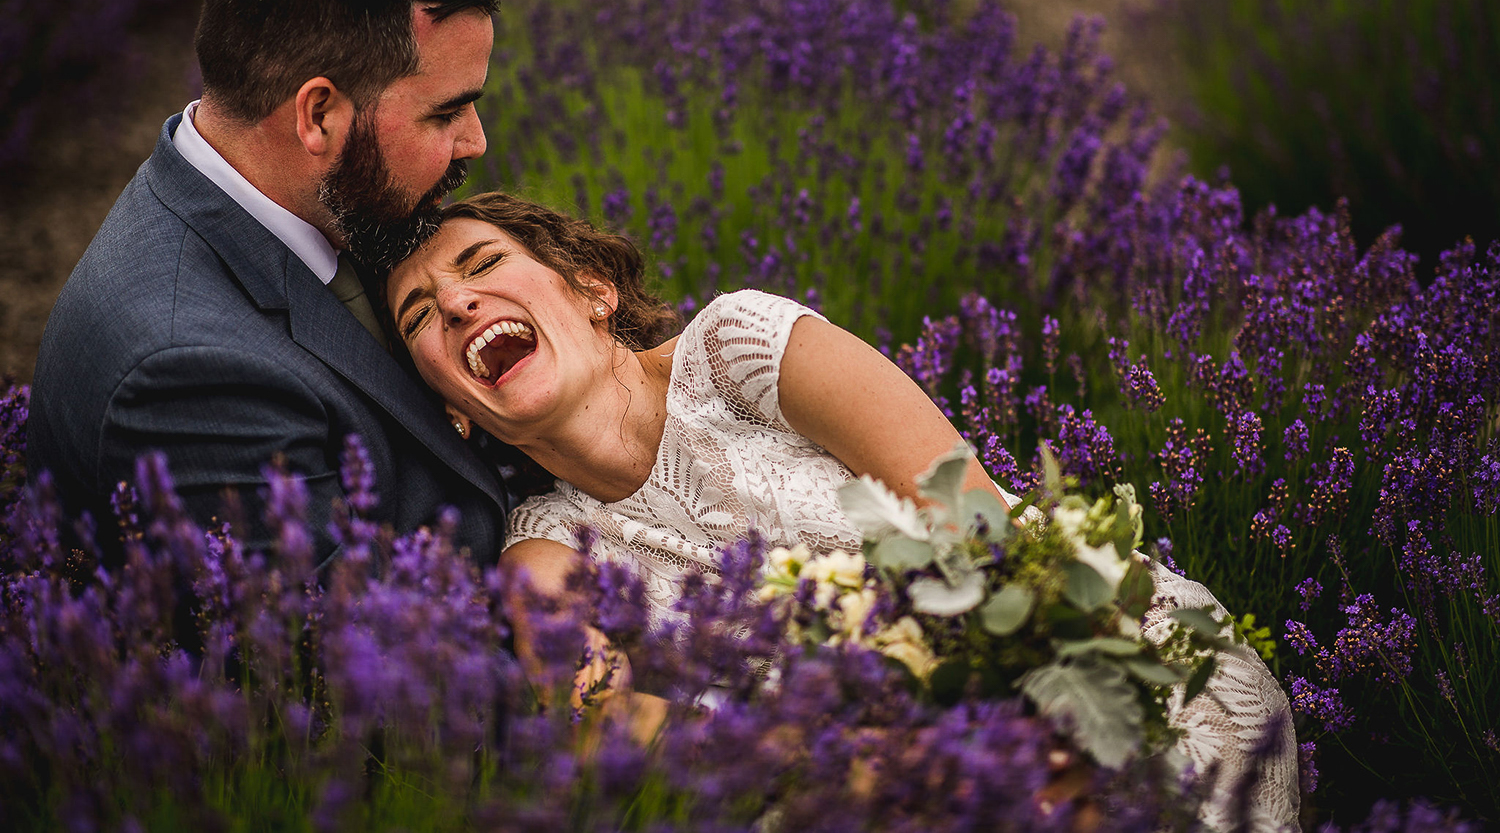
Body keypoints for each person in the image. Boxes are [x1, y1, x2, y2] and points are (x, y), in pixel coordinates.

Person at [386, 191, 1301, 832]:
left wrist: (1009, 708)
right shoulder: (545, 554)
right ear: (455, 409)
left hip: (1066, 639)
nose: (459, 302)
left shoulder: (738, 351)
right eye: (422, 315)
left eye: (482, 265)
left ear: (592, 287)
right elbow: (595, 725)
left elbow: (972, 517)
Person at [27, 0, 517, 568]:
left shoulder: (322, 208)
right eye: (447, 112)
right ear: (318, 115)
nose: (476, 143)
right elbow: (352, 657)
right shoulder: (189, 378)